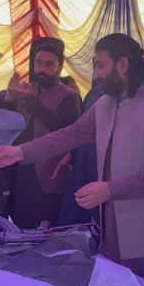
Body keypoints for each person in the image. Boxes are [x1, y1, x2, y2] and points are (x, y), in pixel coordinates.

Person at [0, 34, 144, 286]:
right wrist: (19, 152)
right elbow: (68, 135)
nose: (95, 74)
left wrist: (110, 189)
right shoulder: (105, 103)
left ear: (123, 65)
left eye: (100, 65)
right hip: (108, 237)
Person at [0, 39, 81, 229]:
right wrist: (9, 97)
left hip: (49, 172)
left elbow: (64, 127)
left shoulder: (69, 96)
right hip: (19, 172)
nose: (42, 69)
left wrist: (31, 103)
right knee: (20, 222)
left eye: (49, 64)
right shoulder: (26, 89)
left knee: (46, 227)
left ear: (59, 67)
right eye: (39, 63)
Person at [57, 74, 103, 227]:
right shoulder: (93, 94)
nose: (97, 73)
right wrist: (72, 153)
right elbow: (81, 130)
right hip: (84, 162)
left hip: (103, 168)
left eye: (102, 65)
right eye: (96, 66)